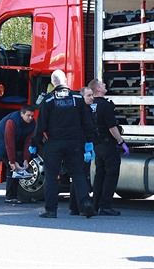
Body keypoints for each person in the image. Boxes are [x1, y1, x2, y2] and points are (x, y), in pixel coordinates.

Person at [32, 70, 96, 218]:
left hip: (54, 143)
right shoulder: (77, 98)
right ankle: (86, 203)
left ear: (53, 83)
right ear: (65, 80)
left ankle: (51, 210)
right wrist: (88, 143)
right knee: (78, 174)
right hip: (74, 143)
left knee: (51, 175)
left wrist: (34, 143)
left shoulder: (48, 100)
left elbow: (40, 125)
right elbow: (87, 123)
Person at [88, 78, 130, 216]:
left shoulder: (90, 104)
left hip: (97, 145)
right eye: (102, 84)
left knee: (100, 174)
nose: (105, 84)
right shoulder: (106, 106)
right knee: (111, 174)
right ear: (98, 89)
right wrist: (121, 142)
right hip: (107, 144)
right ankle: (105, 206)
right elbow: (112, 127)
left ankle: (95, 204)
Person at [0, 105, 36, 203]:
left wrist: (26, 159)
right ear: (22, 114)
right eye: (28, 115)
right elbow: (9, 143)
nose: (30, 118)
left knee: (20, 164)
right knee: (12, 168)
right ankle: (10, 196)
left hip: (13, 141)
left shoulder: (32, 123)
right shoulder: (12, 122)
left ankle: (16, 195)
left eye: (32, 115)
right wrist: (12, 161)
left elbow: (28, 142)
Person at [68, 86, 95, 216]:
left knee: (78, 176)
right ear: (82, 97)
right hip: (81, 146)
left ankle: (74, 206)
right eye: (88, 95)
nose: (91, 97)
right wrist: (87, 148)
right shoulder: (82, 111)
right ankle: (80, 206)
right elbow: (86, 129)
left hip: (81, 146)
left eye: (92, 95)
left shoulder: (85, 109)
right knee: (81, 176)